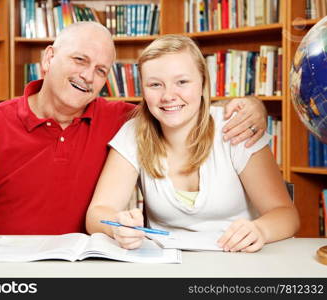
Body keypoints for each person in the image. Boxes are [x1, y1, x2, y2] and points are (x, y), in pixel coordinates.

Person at [0, 22, 267, 251]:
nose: (88, 75)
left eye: (101, 70)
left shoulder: (123, 119)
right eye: (79, 60)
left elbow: (177, 105)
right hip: (2, 264)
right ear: (49, 58)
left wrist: (251, 106)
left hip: (85, 264)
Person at [85, 34, 300, 252]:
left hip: (239, 260)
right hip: (168, 265)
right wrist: (117, 227)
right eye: (155, 84)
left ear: (203, 84)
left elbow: (286, 214)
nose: (168, 96)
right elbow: (98, 213)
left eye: (182, 82)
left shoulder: (236, 127)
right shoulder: (133, 133)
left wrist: (260, 230)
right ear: (143, 90)